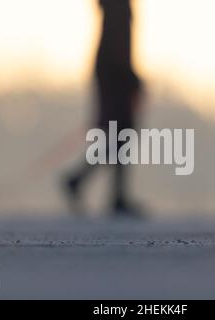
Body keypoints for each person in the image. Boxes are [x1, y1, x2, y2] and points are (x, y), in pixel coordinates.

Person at [60, 0, 143, 217]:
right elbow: (117, 46)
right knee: (121, 136)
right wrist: (129, 76)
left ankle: (90, 186)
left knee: (119, 138)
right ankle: (83, 183)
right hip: (114, 78)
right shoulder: (118, 6)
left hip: (112, 76)